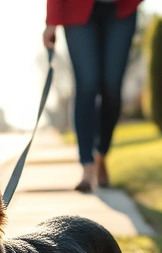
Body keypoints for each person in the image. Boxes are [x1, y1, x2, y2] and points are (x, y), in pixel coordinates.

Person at [44, 0, 142, 192]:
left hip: (121, 8)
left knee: (112, 88)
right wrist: (51, 21)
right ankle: (87, 168)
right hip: (76, 8)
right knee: (87, 85)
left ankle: (101, 153)